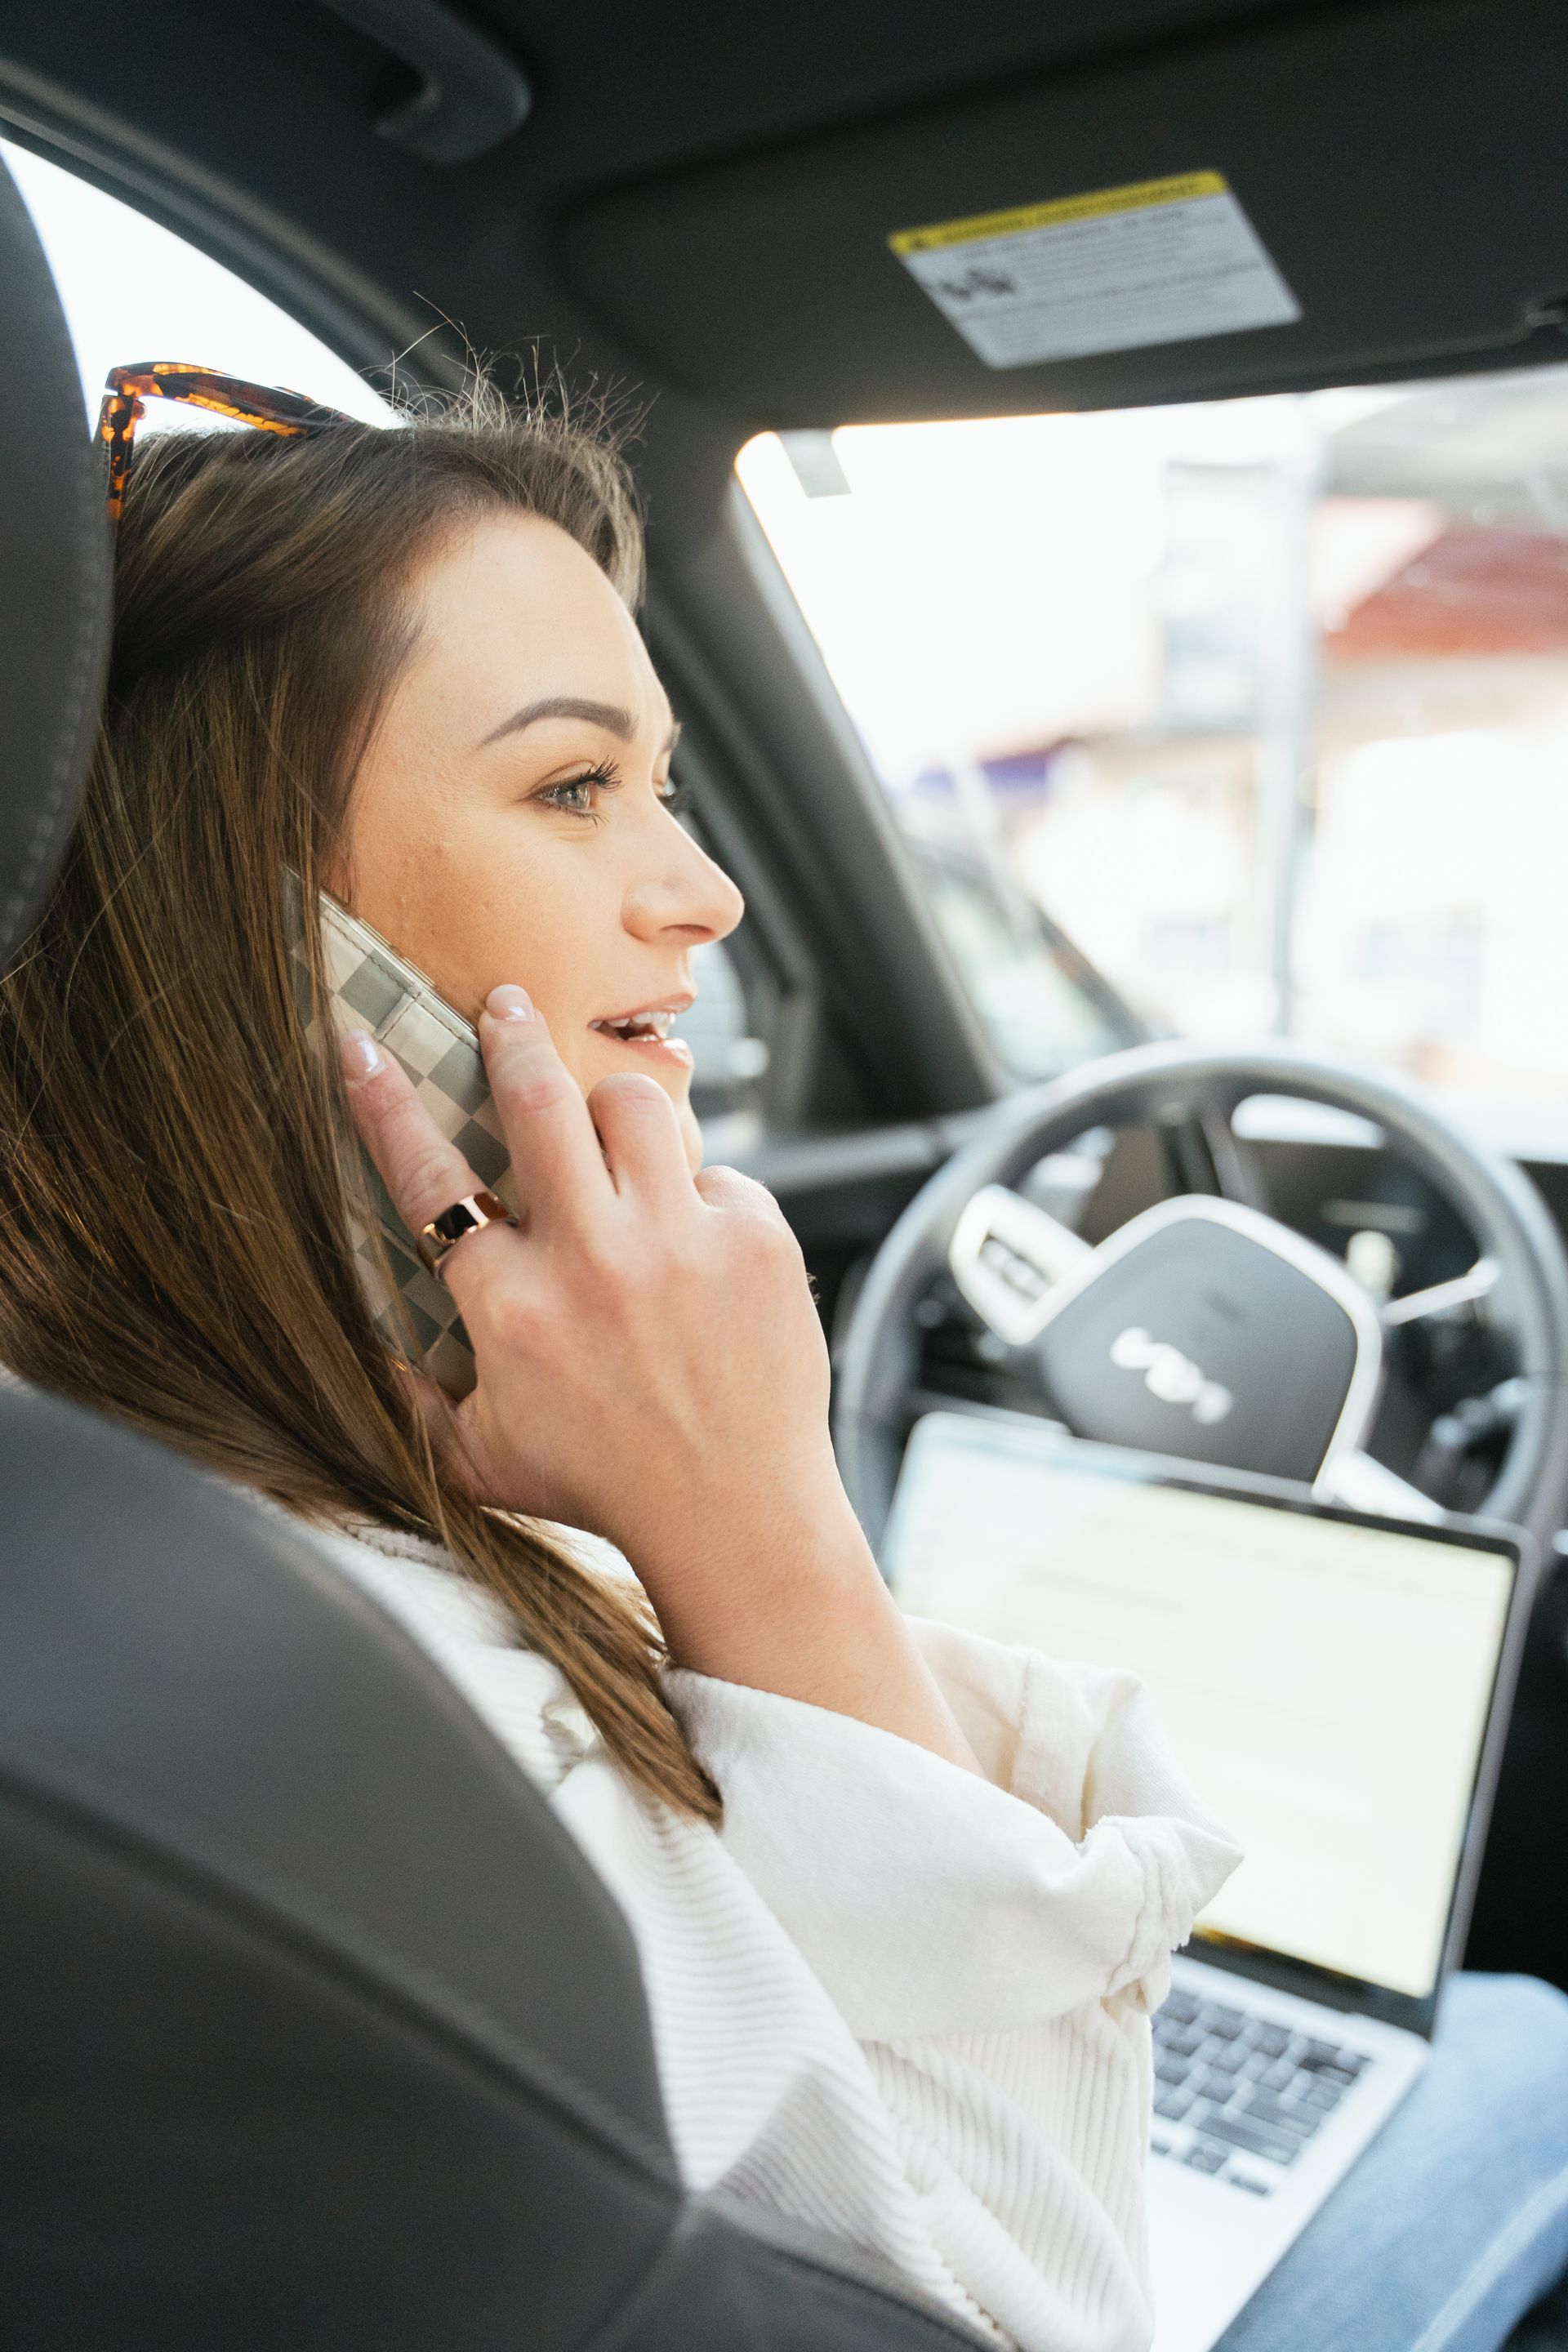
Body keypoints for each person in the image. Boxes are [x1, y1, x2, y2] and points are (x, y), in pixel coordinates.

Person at [0, 378, 1561, 2352]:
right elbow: (1048, 2307)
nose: (708, 890)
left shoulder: (118, 1473)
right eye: (577, 788)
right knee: (1520, 2053)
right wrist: (756, 1517)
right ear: (259, 930)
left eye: (666, 781)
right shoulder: (390, 1712)